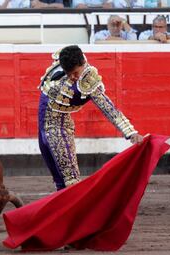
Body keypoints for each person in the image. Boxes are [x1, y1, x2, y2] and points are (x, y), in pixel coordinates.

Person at [38, 45, 143, 191]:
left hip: (59, 128)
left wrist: (130, 132)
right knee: (59, 180)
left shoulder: (89, 80)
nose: (72, 77)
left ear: (82, 64)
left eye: (75, 73)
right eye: (68, 73)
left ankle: (77, 213)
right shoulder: (62, 62)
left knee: (71, 180)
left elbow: (108, 108)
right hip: (42, 127)